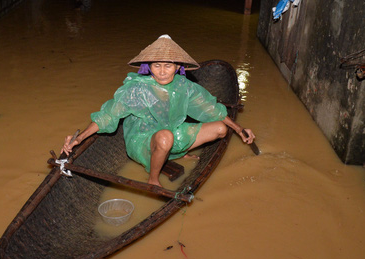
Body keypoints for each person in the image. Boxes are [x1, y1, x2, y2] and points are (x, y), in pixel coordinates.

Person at [62, 34, 255, 187]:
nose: (162, 71)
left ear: (178, 67)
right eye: (157, 65)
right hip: (143, 138)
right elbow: (107, 115)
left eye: (168, 65)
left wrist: (239, 129)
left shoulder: (184, 86)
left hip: (171, 132)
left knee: (221, 128)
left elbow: (212, 109)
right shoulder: (137, 88)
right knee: (165, 138)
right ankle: (153, 178)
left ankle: (176, 153)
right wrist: (79, 138)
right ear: (149, 67)